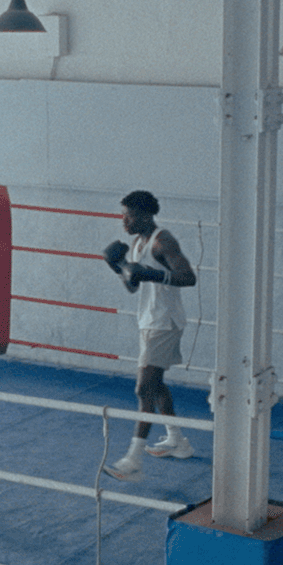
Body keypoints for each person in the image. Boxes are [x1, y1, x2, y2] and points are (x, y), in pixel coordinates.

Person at [100, 190, 197, 481]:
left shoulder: (162, 241)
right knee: (156, 385)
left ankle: (134, 461)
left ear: (144, 215)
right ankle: (176, 441)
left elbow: (188, 277)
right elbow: (134, 285)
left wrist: (151, 274)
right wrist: (118, 267)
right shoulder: (137, 243)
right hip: (149, 321)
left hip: (164, 324)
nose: (123, 221)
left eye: (127, 216)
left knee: (144, 389)